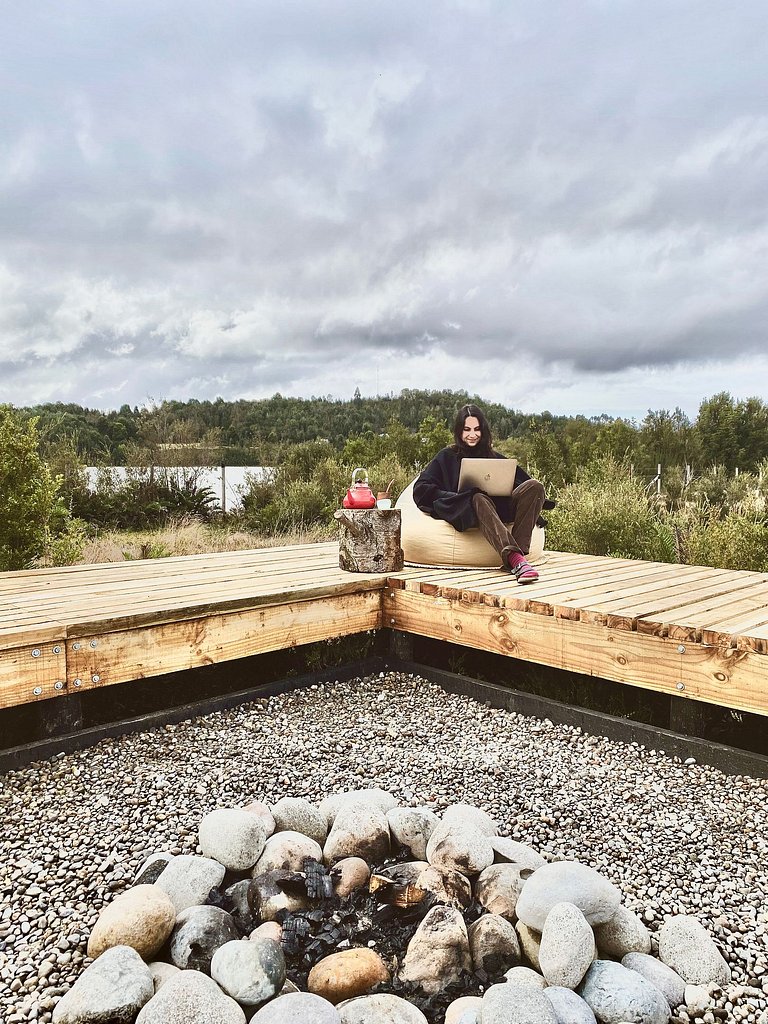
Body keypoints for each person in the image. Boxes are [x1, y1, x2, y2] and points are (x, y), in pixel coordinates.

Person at [413, 403, 554, 583]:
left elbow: (521, 482)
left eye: (477, 429)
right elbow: (422, 487)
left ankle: (518, 559)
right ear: (459, 431)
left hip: (499, 509)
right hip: (467, 509)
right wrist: (455, 497)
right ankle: (516, 559)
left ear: (483, 430)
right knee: (478, 497)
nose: (472, 434)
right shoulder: (447, 456)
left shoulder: (494, 457)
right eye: (467, 429)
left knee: (535, 486)